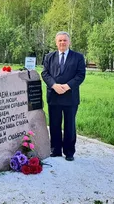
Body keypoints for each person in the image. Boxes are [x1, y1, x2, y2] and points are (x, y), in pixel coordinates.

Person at [41, 31, 86, 161]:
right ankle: (55, 150)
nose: (62, 43)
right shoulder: (49, 57)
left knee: (69, 125)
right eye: (60, 40)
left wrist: (67, 86)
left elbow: (80, 75)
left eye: (64, 40)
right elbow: (45, 74)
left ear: (69, 42)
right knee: (54, 124)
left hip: (70, 96)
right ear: (56, 42)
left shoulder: (78, 57)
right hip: (54, 96)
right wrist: (54, 85)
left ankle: (69, 152)